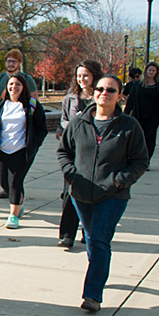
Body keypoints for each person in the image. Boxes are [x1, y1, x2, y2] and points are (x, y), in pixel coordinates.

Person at [57, 75, 148, 312]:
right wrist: (72, 175)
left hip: (112, 196)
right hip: (81, 194)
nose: (104, 93)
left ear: (119, 95)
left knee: (98, 239)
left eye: (110, 90)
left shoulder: (129, 126)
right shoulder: (79, 122)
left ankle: (93, 295)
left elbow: (139, 161)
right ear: (93, 92)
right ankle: (99, 270)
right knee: (92, 240)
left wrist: (119, 182)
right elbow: (64, 151)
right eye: (99, 89)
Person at [0, 72, 48, 229]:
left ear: (23, 87)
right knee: (3, 182)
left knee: (15, 183)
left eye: (18, 84)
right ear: (7, 86)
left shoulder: (31, 105)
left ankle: (13, 215)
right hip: (1, 150)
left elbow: (42, 127)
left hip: (22, 151)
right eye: (11, 84)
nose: (14, 87)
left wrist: (34, 144)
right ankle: (18, 202)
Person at [55, 60, 102, 248]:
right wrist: (75, 125)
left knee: (93, 193)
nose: (82, 79)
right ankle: (67, 235)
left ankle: (88, 230)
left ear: (94, 76)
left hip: (95, 151)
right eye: (79, 75)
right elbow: (64, 120)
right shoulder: (71, 97)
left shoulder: (101, 95)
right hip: (74, 150)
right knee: (69, 193)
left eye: (86, 75)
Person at [125, 60, 159, 162]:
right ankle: (135, 158)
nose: (151, 72)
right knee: (136, 138)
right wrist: (125, 114)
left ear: (156, 72)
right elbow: (130, 101)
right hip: (138, 114)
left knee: (149, 139)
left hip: (153, 117)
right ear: (146, 71)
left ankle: (146, 160)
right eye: (149, 70)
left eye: (153, 70)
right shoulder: (137, 85)